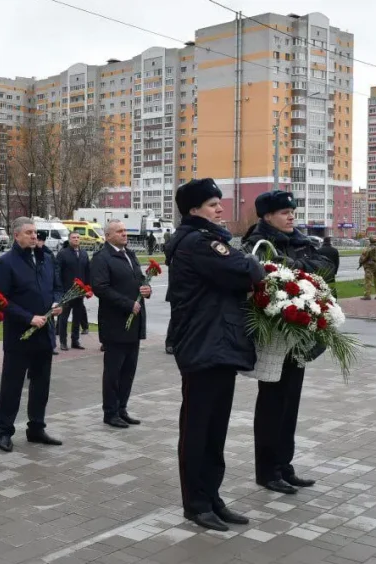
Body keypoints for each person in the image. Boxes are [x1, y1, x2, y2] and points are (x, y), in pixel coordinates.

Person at [167, 178, 263, 532]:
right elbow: (245, 270)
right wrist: (250, 265)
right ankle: (195, 503)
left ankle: (212, 497)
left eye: (218, 202)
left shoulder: (210, 240)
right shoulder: (198, 243)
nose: (220, 209)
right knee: (197, 429)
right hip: (202, 347)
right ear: (194, 211)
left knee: (215, 430)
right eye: (212, 204)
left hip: (219, 345)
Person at [243, 190, 333, 495]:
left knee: (290, 404)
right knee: (272, 405)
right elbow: (265, 281)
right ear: (268, 216)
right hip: (274, 339)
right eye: (284, 212)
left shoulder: (302, 241)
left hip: (299, 336)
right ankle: (267, 471)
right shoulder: (257, 245)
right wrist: (299, 272)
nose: (291, 216)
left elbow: (323, 271)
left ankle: (284, 466)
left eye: (292, 211)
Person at [0, 217, 63, 453]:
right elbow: (0, 300)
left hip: (44, 334)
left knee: (41, 384)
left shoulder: (46, 258)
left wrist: (57, 302)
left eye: (35, 232)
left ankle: (36, 428)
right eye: (29, 232)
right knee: (12, 386)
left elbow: (57, 286)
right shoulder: (6, 263)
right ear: (16, 236)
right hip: (19, 335)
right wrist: (27, 317)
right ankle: (4, 431)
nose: (34, 236)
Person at [91, 220, 150, 429]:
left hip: (133, 323)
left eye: (125, 230)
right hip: (115, 324)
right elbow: (100, 287)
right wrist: (127, 304)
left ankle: (122, 408)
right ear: (108, 236)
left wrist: (146, 288)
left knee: (129, 370)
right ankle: (110, 412)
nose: (125, 234)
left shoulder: (130, 254)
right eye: (120, 231)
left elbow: (140, 279)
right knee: (113, 372)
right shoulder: (102, 258)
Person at [56, 231, 90, 351]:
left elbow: (87, 272)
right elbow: (57, 273)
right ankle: (63, 342)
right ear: (69, 240)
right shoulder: (62, 254)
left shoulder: (84, 254)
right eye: (73, 238)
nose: (76, 239)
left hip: (80, 292)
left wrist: (88, 288)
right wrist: (60, 290)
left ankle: (75, 341)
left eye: (77, 237)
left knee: (77, 317)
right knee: (64, 318)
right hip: (66, 292)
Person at [360, 233, 376, 300]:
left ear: (370, 240)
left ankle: (367, 295)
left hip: (370, 266)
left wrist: (361, 262)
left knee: (368, 281)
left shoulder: (368, 248)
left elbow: (363, 257)